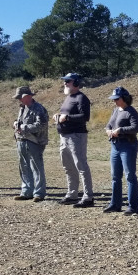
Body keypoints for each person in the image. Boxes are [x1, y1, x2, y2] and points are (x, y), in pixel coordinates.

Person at [55, 73, 94, 208]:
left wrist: (67, 118)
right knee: (68, 167)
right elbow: (67, 114)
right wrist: (59, 116)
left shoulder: (81, 98)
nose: (65, 83)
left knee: (81, 166)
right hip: (64, 136)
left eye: (68, 81)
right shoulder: (68, 98)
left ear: (76, 83)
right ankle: (72, 194)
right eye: (65, 81)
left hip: (76, 136)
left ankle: (88, 197)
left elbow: (85, 117)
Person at [103, 87, 138, 216]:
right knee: (115, 176)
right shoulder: (116, 110)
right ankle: (115, 204)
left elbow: (136, 127)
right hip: (115, 146)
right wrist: (108, 130)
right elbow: (109, 124)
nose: (114, 101)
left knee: (130, 175)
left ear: (124, 99)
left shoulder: (131, 111)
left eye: (117, 99)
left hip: (127, 146)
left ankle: (133, 206)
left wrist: (120, 130)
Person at [12, 86, 49, 202]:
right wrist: (16, 124)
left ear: (27, 97)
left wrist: (24, 127)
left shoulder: (38, 108)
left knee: (36, 167)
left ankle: (39, 193)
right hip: (21, 140)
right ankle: (26, 191)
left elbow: (41, 125)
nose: (19, 100)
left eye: (20, 97)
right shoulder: (23, 108)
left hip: (34, 142)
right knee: (24, 166)